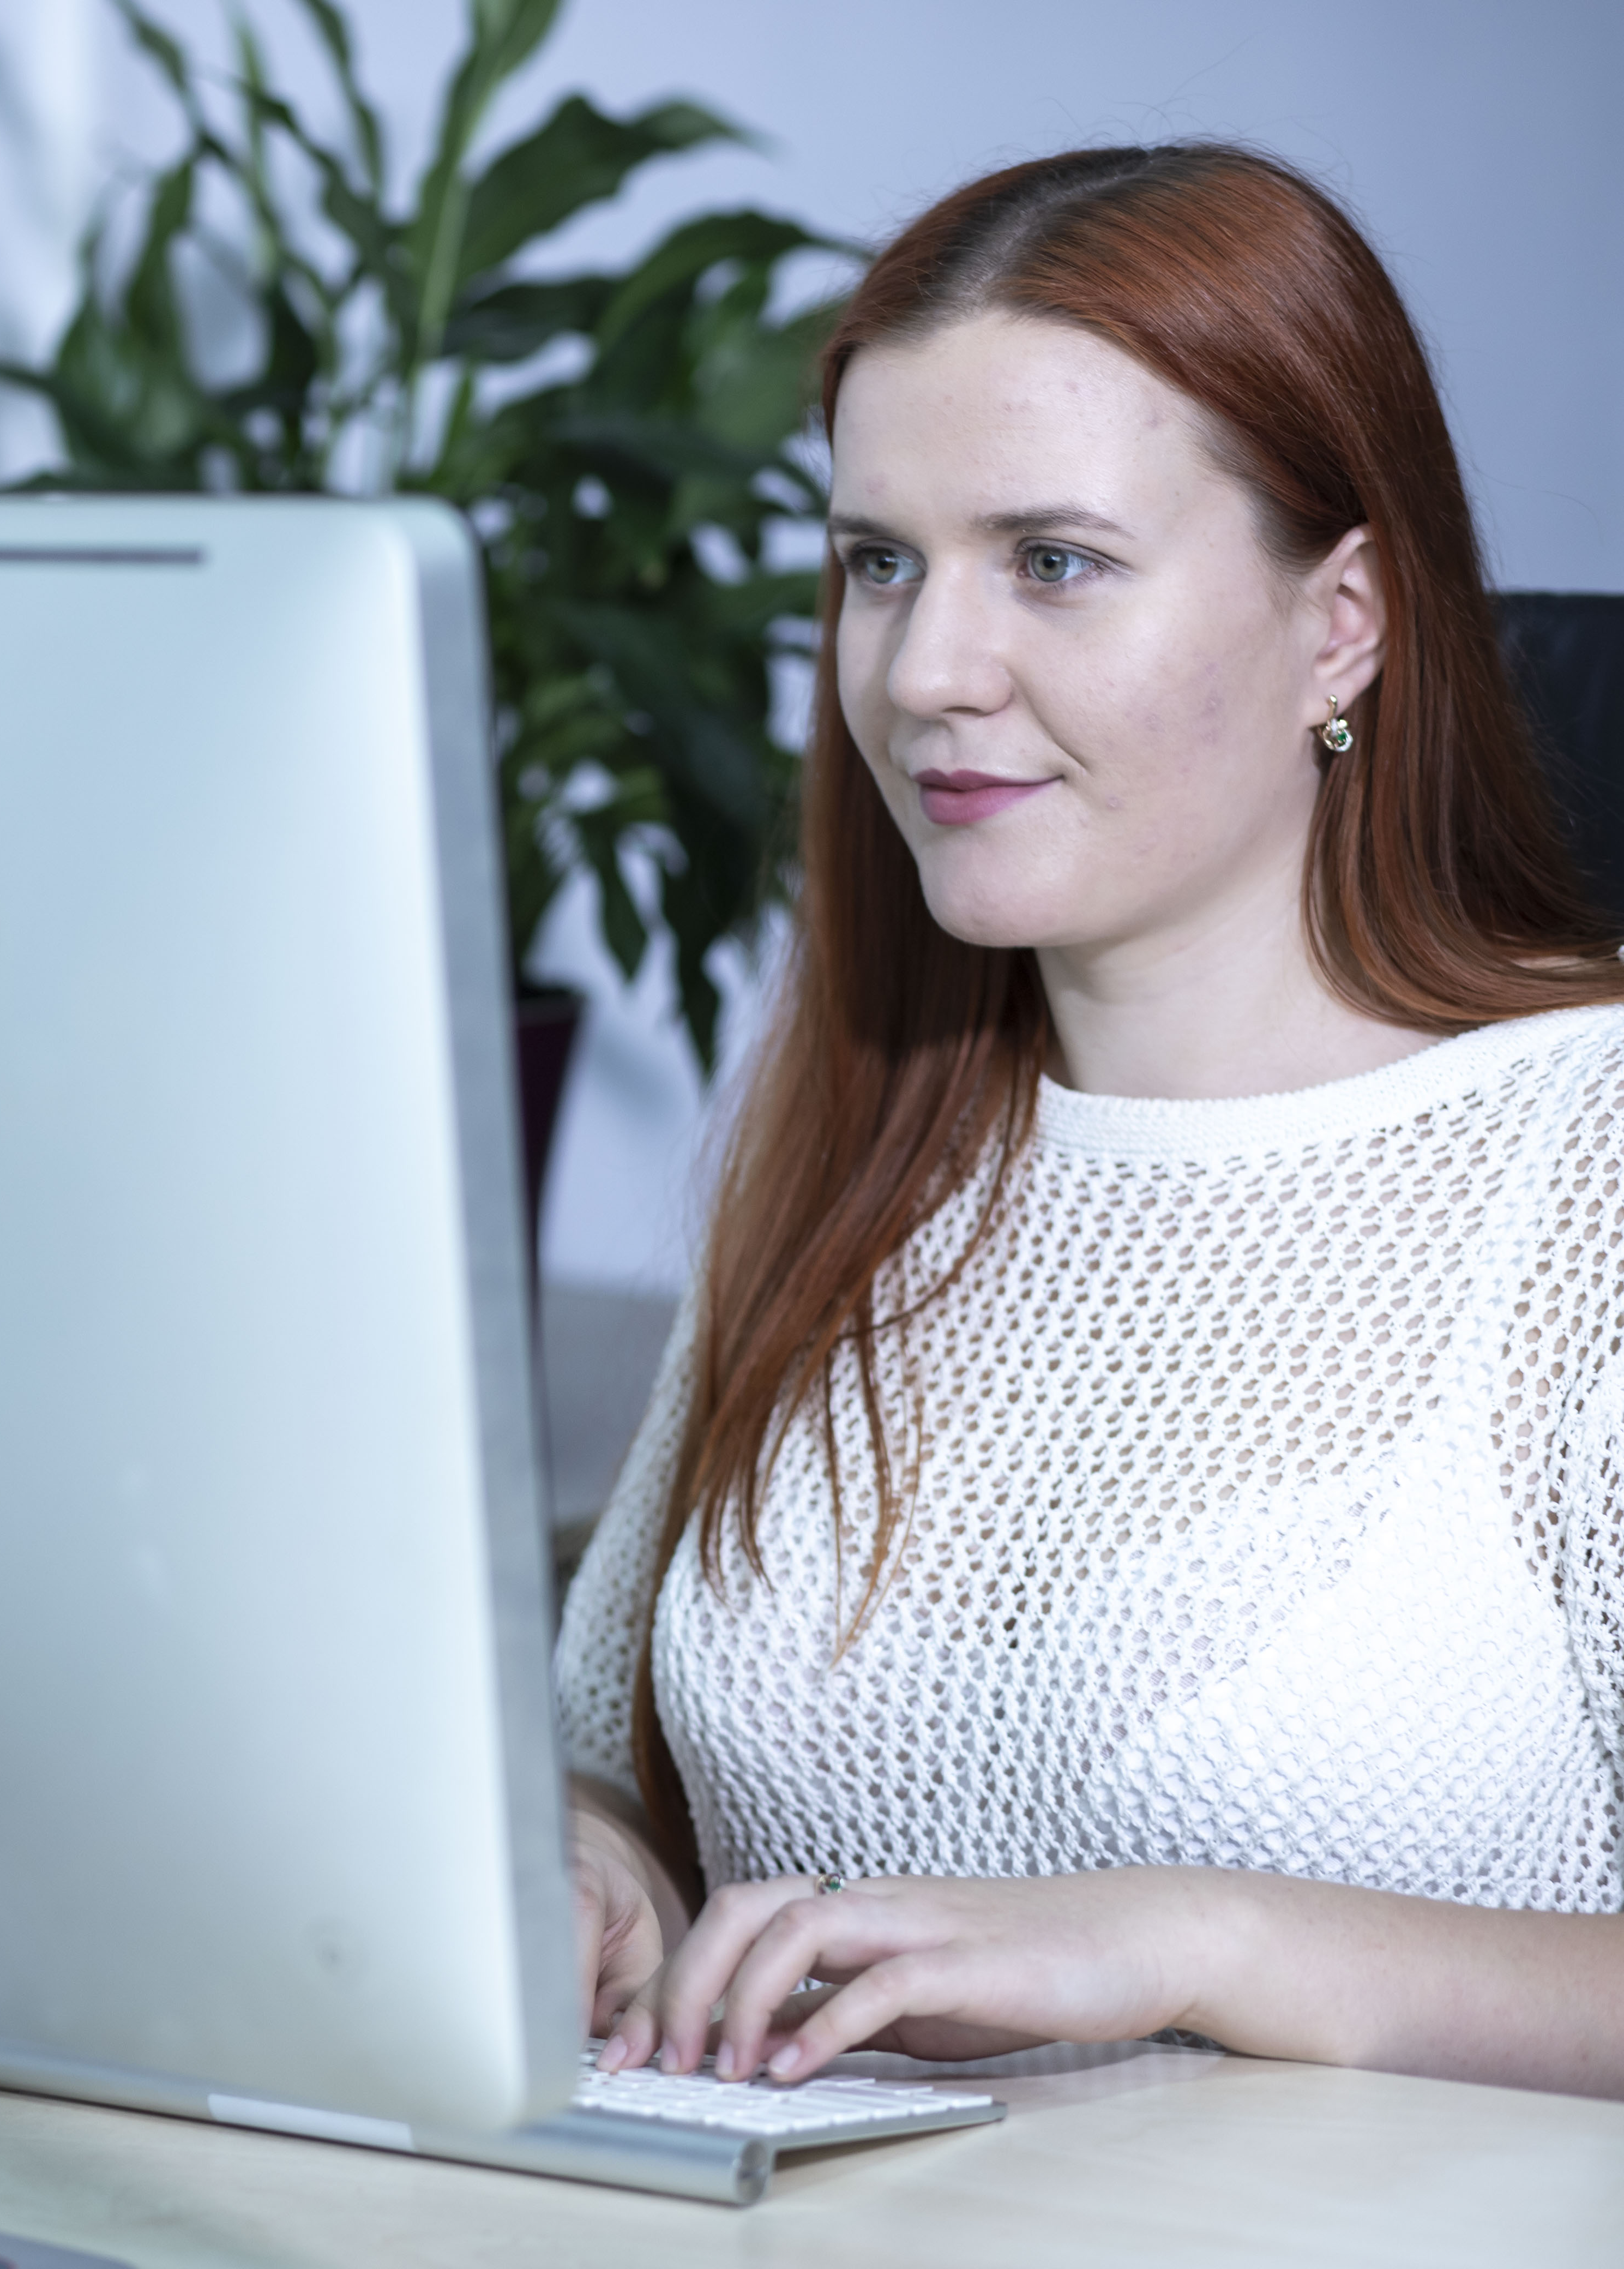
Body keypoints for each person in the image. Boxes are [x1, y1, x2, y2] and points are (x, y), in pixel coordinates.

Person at [556, 142, 1624, 2100]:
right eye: (882, 563)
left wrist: (1203, 1944)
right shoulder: (858, 1139)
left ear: (1343, 624)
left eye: (1053, 561)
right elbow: (617, 1769)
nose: (926, 672)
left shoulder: (1587, 1167)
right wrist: (596, 1866)